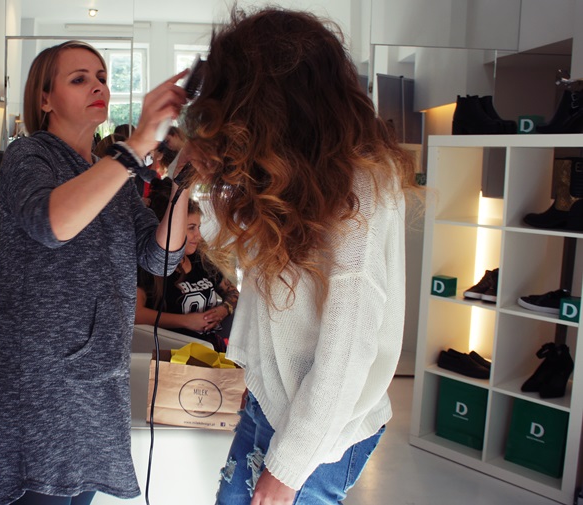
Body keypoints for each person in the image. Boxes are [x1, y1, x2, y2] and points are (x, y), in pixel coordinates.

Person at [180, 8, 419, 505]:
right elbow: (246, 264)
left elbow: (346, 349)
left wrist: (287, 468)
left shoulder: (358, 188)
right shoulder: (295, 172)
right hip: (276, 402)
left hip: (319, 427)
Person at [0, 40, 192, 505]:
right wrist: (134, 148)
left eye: (101, 78)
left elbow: (158, 258)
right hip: (41, 382)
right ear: (45, 99)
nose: (98, 86)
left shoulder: (110, 173)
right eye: (79, 79)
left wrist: (182, 185)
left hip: (99, 375)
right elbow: (52, 223)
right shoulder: (28, 156)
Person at [135, 196, 239, 352]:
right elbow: (136, 314)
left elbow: (232, 292)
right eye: (191, 228)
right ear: (172, 229)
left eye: (198, 227)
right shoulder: (149, 266)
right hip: (172, 353)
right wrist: (185, 321)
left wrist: (223, 310)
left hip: (211, 350)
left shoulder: (200, 260)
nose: (199, 235)